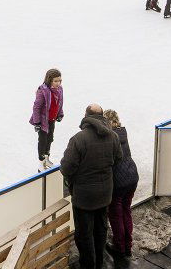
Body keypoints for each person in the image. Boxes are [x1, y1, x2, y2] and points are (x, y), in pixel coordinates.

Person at [60, 104, 123, 269]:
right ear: (102, 116)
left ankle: (88, 265)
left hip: (84, 197)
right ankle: (99, 262)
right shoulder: (113, 136)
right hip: (105, 195)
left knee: (84, 234)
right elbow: (118, 159)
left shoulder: (78, 139)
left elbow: (66, 168)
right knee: (101, 230)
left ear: (86, 116)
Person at [103, 109, 138, 266]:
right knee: (126, 211)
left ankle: (120, 247)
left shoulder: (108, 138)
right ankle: (128, 246)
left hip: (119, 181)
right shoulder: (122, 132)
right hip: (131, 176)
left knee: (116, 214)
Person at [30, 68, 65, 170]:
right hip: (42, 121)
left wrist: (60, 114)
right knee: (43, 141)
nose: (58, 83)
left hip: (52, 119)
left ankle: (46, 158)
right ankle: (41, 162)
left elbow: (60, 103)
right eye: (55, 81)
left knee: (50, 139)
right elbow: (36, 107)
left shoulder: (60, 89)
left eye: (59, 81)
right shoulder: (43, 91)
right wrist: (37, 122)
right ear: (49, 80)